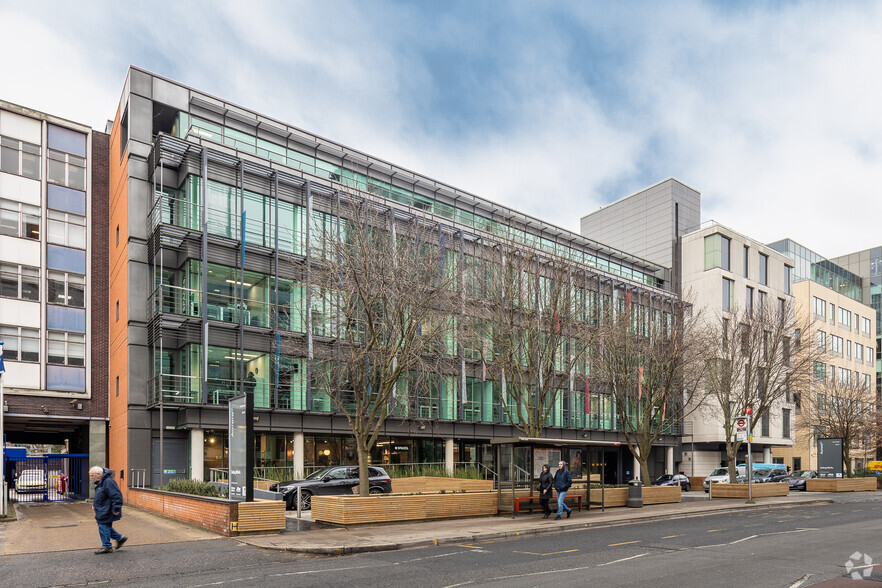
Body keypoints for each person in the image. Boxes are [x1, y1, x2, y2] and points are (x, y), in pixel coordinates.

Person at [90, 466, 127, 554]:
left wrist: (116, 508)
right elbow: (101, 495)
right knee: (104, 527)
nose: (91, 478)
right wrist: (95, 505)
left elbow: (116, 496)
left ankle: (107, 546)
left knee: (103, 526)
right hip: (102, 508)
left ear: (99, 474)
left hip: (107, 509)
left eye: (92, 476)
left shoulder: (108, 482)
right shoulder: (102, 482)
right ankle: (120, 538)